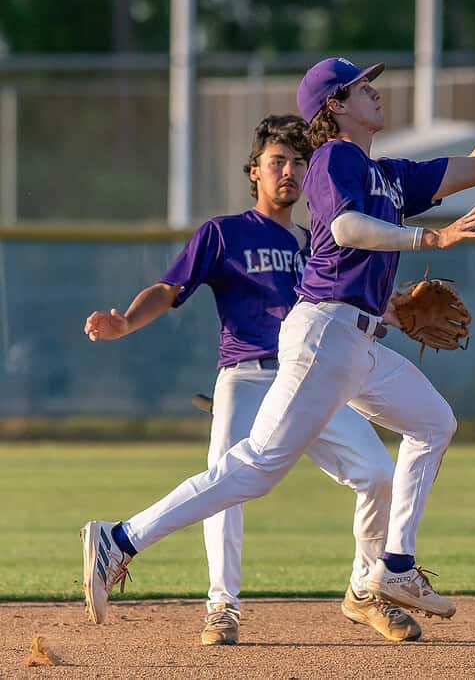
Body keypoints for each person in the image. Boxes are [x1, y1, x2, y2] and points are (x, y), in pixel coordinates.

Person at [82, 56, 475, 628]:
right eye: (361, 87)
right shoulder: (333, 159)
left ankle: (394, 565)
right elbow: (347, 228)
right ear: (334, 104)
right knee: (256, 468)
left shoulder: (388, 174)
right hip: (323, 334)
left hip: (362, 344)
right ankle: (119, 539)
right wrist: (430, 235)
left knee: (433, 423)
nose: (374, 92)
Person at [82, 114, 421, 644]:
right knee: (227, 482)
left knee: (377, 472)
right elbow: (168, 288)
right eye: (276, 162)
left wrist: (394, 314)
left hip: (312, 378)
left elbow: (351, 307)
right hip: (245, 375)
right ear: (254, 172)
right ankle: (222, 607)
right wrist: (126, 320)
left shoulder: (322, 241)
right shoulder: (224, 233)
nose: (288, 171)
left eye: (298, 163)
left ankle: (364, 589)